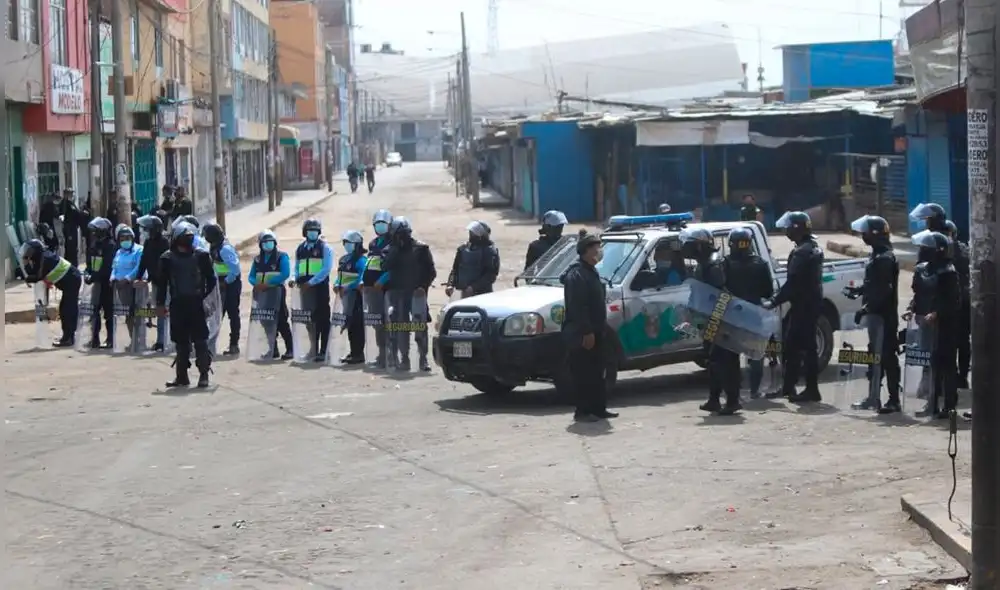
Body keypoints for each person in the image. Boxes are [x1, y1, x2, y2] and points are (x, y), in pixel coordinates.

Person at [679, 226, 741, 414]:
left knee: (724, 361)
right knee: (713, 360)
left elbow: (721, 295)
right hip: (710, 319)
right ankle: (714, 399)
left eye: (689, 245)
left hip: (720, 321)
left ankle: (732, 401)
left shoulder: (713, 264)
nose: (685, 249)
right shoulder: (704, 263)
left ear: (699, 246)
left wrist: (716, 323)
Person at [763, 211, 824, 403]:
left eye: (789, 228)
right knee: (793, 347)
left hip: (803, 306)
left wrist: (773, 301)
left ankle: (811, 390)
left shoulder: (802, 252)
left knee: (804, 348)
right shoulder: (811, 247)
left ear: (797, 229)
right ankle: (789, 387)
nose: (786, 231)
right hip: (810, 304)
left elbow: (793, 284)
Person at [845, 215, 902, 413]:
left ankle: (893, 400)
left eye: (866, 232)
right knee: (874, 357)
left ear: (876, 234)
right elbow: (874, 284)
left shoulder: (885, 258)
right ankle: (873, 397)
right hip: (876, 317)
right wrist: (859, 291)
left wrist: (867, 308)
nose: (863, 235)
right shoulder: (878, 255)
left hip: (884, 317)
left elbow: (884, 290)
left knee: (887, 357)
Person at [561, 229, 617, 422]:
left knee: (598, 372)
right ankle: (583, 411)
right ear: (585, 251)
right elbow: (578, 307)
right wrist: (587, 332)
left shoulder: (591, 271)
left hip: (597, 330)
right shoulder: (577, 275)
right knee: (584, 373)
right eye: (595, 248)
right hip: (584, 332)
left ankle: (599, 409)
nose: (599, 252)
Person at [906, 230, 960, 419]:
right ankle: (932, 404)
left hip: (945, 327)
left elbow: (952, 300)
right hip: (928, 325)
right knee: (931, 366)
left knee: (947, 367)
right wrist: (912, 308)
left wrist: (937, 313)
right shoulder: (924, 269)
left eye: (927, 247)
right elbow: (920, 294)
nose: (923, 250)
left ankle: (949, 406)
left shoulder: (948, 272)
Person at [155, 222, 217, 388]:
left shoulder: (201, 256)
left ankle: (203, 375)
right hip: (178, 304)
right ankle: (182, 376)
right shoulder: (167, 258)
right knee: (181, 342)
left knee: (200, 340)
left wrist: (205, 298)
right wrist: (160, 304)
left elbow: (211, 280)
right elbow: (162, 284)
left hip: (197, 304)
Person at [723, 227, 774, 399]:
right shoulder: (760, 264)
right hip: (754, 313)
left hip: (732, 315)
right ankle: (754, 390)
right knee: (756, 354)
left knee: (731, 355)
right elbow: (768, 291)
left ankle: (733, 391)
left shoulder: (725, 264)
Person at [383, 217, 436, 371]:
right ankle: (404, 359)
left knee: (420, 326)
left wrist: (423, 287)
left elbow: (431, 271)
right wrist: (394, 250)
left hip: (416, 294)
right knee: (401, 327)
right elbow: (385, 266)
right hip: (399, 295)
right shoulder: (390, 250)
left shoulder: (421, 249)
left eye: (403, 234)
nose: (400, 238)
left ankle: (423, 359)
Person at [20, 238, 81, 347]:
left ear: (35, 250)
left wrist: (28, 276)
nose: (27, 253)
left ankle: (69, 338)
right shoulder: (40, 257)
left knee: (67, 310)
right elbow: (33, 273)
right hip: (68, 282)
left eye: (29, 251)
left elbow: (37, 276)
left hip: (72, 280)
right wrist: (26, 264)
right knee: (64, 309)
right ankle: (67, 336)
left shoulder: (46, 258)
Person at [293, 218, 335, 362]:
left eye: (315, 230)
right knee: (309, 320)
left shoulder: (325, 248)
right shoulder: (300, 249)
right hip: (305, 290)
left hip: (319, 288)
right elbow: (297, 267)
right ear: (305, 232)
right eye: (310, 230)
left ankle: (324, 351)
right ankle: (313, 349)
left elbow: (326, 269)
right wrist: (294, 279)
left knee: (323, 320)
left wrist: (311, 282)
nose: (313, 233)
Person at [248, 230, 294, 360]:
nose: (267, 245)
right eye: (265, 242)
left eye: (270, 242)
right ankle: (273, 349)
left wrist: (268, 284)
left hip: (276, 291)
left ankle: (290, 349)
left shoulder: (281, 257)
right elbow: (251, 276)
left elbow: (285, 273)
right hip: (261, 293)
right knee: (266, 320)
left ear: (274, 243)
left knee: (281, 320)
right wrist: (256, 284)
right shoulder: (257, 259)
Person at [202, 223, 242, 356]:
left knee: (232, 314)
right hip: (219, 285)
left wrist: (225, 282)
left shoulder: (225, 249)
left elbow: (235, 270)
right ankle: (210, 346)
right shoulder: (214, 247)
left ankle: (234, 344)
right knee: (215, 315)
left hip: (230, 285)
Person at [333, 230, 368, 365]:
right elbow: (340, 276)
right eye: (345, 243)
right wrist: (337, 284)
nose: (346, 245)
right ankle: (353, 352)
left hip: (356, 296)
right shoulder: (344, 260)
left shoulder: (361, 260)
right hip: (345, 297)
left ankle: (358, 353)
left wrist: (347, 287)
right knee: (349, 324)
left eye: (349, 243)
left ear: (357, 244)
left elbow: (361, 278)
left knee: (357, 325)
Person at [364, 209, 394, 367]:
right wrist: (364, 282)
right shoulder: (373, 244)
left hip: (387, 288)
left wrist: (382, 281)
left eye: (383, 224)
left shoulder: (394, 243)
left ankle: (391, 354)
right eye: (377, 224)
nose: (380, 227)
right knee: (377, 322)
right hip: (373, 290)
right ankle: (381, 354)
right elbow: (370, 264)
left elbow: (394, 267)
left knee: (389, 321)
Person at [943, 219, 971, 389]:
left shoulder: (951, 251)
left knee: (954, 340)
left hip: (956, 301)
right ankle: (961, 376)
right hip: (963, 299)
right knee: (962, 340)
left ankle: (957, 375)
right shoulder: (963, 249)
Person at [136, 215, 170, 351]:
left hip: (165, 283)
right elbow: (144, 260)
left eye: (148, 229)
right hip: (155, 282)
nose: (146, 232)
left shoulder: (164, 243)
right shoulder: (148, 242)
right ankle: (160, 341)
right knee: (159, 310)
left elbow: (166, 263)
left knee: (164, 310)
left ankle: (165, 341)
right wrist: (139, 276)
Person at [85, 217, 117, 348]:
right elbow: (89, 264)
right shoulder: (94, 245)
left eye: (96, 231)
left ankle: (110, 339)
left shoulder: (110, 246)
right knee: (94, 311)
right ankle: (95, 338)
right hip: (96, 284)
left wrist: (93, 277)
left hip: (107, 284)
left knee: (109, 312)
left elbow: (107, 267)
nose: (94, 234)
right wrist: (87, 273)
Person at [110, 225, 144, 347]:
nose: (125, 241)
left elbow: (139, 267)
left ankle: (139, 340)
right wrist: (112, 278)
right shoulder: (119, 252)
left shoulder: (139, 250)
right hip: (121, 287)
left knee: (138, 314)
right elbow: (114, 267)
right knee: (128, 315)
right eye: (122, 239)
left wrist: (127, 279)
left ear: (132, 238)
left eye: (127, 238)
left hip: (134, 286)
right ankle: (132, 340)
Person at [446, 221, 500, 298]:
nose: (471, 235)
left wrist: (473, 287)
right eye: (471, 233)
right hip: (462, 292)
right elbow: (455, 269)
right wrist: (450, 284)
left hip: (482, 294)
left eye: (473, 233)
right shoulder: (463, 249)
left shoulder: (490, 251)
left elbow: (491, 275)